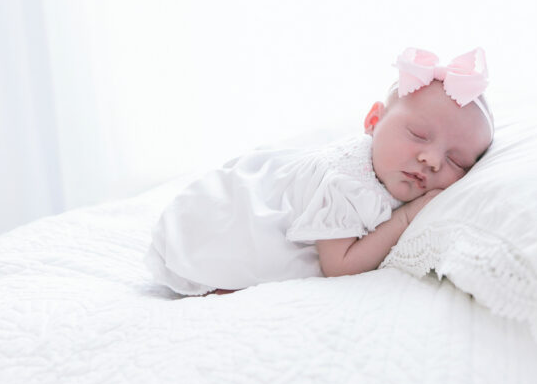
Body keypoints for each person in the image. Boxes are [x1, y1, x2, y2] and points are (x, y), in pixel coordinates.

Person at [144, 47, 494, 295]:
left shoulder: (384, 166)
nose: (432, 160)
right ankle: (209, 276)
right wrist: (403, 221)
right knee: (247, 247)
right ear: (373, 121)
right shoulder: (346, 185)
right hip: (220, 221)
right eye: (418, 135)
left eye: (456, 161)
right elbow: (339, 266)